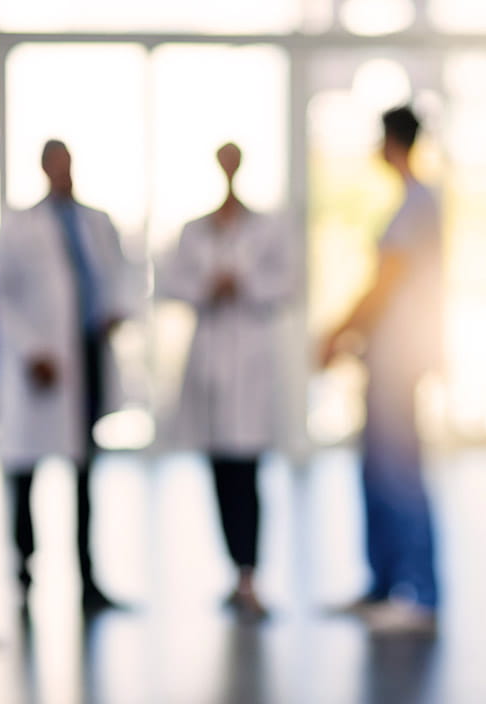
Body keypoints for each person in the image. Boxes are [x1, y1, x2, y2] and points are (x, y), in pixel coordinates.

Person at [0, 139, 131, 613]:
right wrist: (32, 351)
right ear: (44, 169)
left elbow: (116, 278)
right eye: (55, 165)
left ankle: (88, 580)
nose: (63, 173)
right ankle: (25, 577)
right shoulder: (19, 225)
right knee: (25, 473)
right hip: (42, 365)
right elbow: (0, 297)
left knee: (85, 472)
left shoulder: (96, 223)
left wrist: (114, 312)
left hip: (85, 355)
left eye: (68, 164)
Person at [156, 143, 295, 621]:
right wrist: (206, 287)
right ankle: (236, 572)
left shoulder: (268, 226)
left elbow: (290, 282)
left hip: (250, 362)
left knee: (248, 475)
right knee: (220, 474)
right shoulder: (196, 229)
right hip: (211, 365)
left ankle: (250, 574)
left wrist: (246, 283)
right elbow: (171, 283)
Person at [319, 106, 443, 635]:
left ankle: (419, 593)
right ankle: (384, 584)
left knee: (399, 474)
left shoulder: (418, 203)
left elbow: (385, 282)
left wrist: (335, 333)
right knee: (377, 471)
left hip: (400, 356)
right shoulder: (410, 202)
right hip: (386, 355)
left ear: (392, 142)